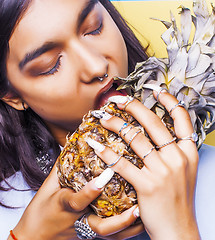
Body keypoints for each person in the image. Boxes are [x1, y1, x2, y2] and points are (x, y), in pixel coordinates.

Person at [0, 0, 214, 239]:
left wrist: (177, 231)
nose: (97, 67)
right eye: (50, 65)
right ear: (13, 96)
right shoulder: (6, 216)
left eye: (94, 28)